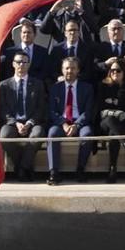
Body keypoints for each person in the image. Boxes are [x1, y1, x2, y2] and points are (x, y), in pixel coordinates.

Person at [0, 51, 49, 182]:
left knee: (38, 134)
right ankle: (24, 167)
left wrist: (30, 122)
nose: (21, 65)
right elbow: (3, 108)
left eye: (24, 62)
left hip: (32, 122)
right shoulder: (4, 85)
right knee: (4, 136)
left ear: (29, 64)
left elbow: (41, 107)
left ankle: (21, 168)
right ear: (13, 64)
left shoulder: (37, 84)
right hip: (12, 122)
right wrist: (15, 123)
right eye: (18, 62)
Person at [46, 54, 97, 184]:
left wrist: (76, 125)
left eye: (73, 68)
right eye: (67, 68)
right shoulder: (55, 88)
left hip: (80, 121)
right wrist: (63, 124)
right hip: (61, 123)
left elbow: (88, 111)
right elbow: (51, 111)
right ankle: (54, 172)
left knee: (87, 135)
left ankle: (80, 170)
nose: (70, 71)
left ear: (78, 70)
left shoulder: (87, 88)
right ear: (62, 70)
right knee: (52, 134)